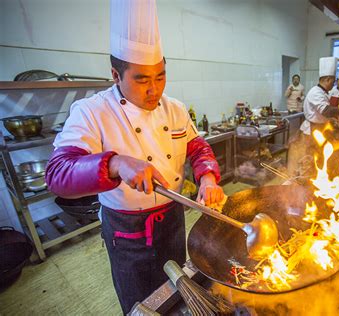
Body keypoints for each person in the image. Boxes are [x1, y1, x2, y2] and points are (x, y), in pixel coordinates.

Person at [45, 0, 224, 313]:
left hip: (173, 218)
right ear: (116, 74)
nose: (154, 89)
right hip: (127, 230)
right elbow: (58, 174)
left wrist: (207, 176)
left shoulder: (175, 108)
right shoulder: (92, 111)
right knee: (141, 303)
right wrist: (115, 163)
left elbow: (197, 147)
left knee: (178, 293)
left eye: (160, 76)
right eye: (142, 79)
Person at [300, 57, 339, 138]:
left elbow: (320, 114)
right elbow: (326, 111)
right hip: (311, 131)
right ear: (328, 79)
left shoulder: (323, 92)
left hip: (318, 129)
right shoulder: (316, 92)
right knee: (310, 150)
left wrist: (330, 120)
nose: (334, 83)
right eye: (333, 81)